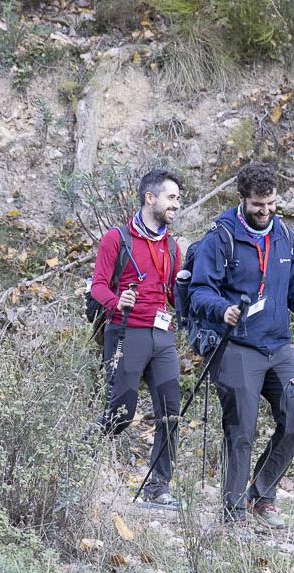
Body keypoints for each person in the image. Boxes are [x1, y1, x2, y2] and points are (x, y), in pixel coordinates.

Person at [187, 162, 294, 528]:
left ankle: (262, 494)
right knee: (242, 426)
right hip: (236, 344)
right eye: (258, 204)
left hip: (278, 345)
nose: (265, 211)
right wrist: (222, 309)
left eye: (271, 203)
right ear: (242, 198)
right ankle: (233, 512)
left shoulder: (285, 236)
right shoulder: (221, 237)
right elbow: (199, 291)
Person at [90, 169, 184, 508]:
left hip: (163, 337)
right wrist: (117, 301)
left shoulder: (172, 246)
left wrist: (190, 291)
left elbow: (174, 295)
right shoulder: (116, 239)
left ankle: (158, 487)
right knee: (121, 414)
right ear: (150, 198)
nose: (176, 204)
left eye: (178, 199)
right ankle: (79, 461)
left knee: (171, 412)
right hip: (126, 331)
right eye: (171, 197)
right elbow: (98, 286)